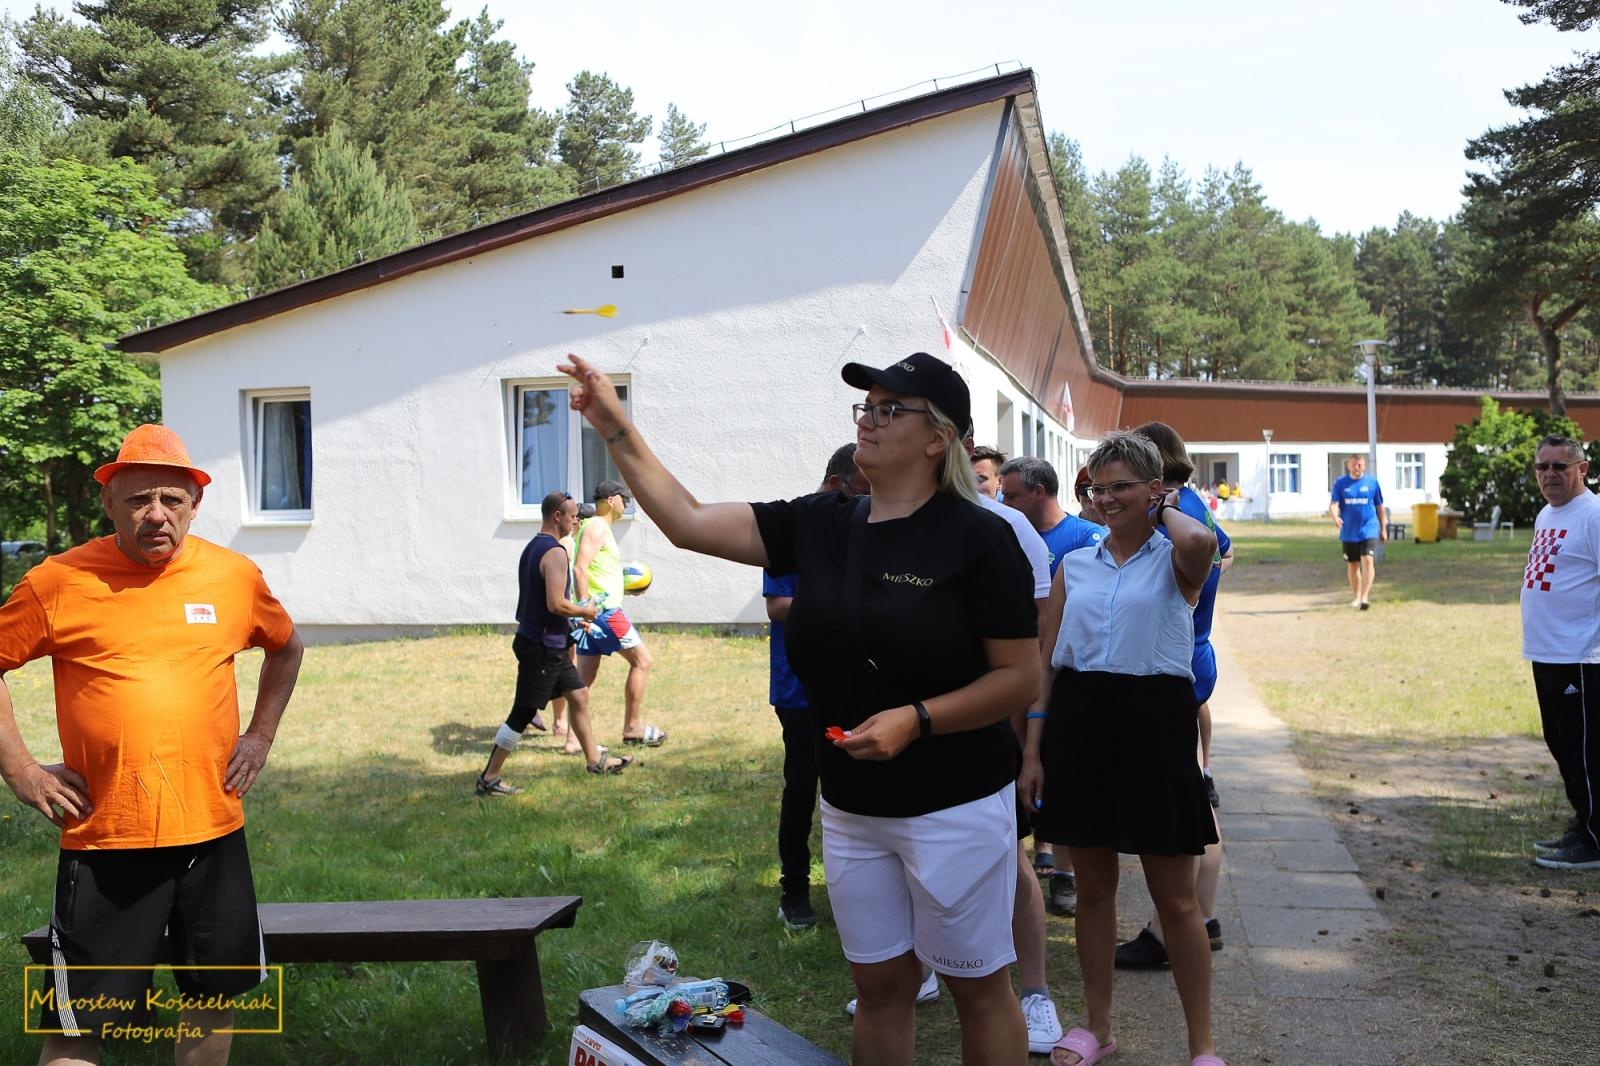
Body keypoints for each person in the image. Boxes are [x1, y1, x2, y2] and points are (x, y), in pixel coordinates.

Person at [558, 349, 1040, 1066]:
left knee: (978, 991)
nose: (868, 422)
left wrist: (920, 718)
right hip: (850, 802)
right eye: (865, 408)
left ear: (939, 437)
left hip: (955, 802)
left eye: (889, 410)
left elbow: (1019, 678)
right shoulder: (822, 523)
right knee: (879, 989)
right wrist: (614, 427)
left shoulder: (980, 537)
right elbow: (688, 521)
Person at [0, 423, 304, 1066]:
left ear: (195, 504)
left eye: (171, 499)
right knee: (80, 1027)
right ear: (109, 503)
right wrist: (21, 771)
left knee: (214, 1000)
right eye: (139, 500)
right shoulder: (58, 581)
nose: (156, 514)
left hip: (213, 831)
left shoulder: (233, 575)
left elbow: (286, 647)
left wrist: (260, 733)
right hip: (106, 836)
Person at [1023, 430, 1224, 1066]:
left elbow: (1203, 542)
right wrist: (1033, 750)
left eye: (1120, 488)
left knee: (1177, 898)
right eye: (1097, 488)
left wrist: (1162, 506)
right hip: (1081, 723)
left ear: (1154, 489)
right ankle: (1098, 1026)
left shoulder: (1176, 556)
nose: (1104, 499)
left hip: (1155, 722)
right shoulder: (1073, 565)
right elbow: (1046, 665)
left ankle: (1202, 1047)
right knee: (1093, 891)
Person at [1114, 422, 1233, 970]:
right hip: (1190, 655)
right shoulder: (1188, 505)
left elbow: (1207, 552)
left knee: (1186, 802)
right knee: (1190, 791)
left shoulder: (1174, 515)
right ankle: (1194, 917)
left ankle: (1181, 925)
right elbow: (1224, 554)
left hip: (1178, 660)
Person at [765, 443, 869, 930]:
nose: (867, 503)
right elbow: (778, 605)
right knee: (803, 786)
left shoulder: (860, 528)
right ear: (835, 485)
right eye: (860, 492)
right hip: (801, 691)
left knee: (856, 789)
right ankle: (794, 891)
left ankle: (858, 889)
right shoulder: (797, 528)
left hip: (855, 686)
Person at [997, 455, 1105, 921]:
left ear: (1040, 492)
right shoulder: (1005, 533)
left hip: (1062, 674)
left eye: (1013, 493)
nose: (1004, 500)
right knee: (1015, 766)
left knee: (1055, 771)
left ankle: (1064, 873)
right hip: (1013, 674)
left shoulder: (1083, 537)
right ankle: (1010, 867)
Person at [477, 491, 625, 795]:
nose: (576, 522)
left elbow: (549, 605)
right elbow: (556, 603)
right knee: (522, 712)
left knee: (580, 695)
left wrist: (572, 620)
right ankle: (489, 777)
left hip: (547, 642)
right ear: (556, 515)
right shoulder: (555, 552)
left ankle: (595, 761)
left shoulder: (533, 547)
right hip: (543, 648)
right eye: (571, 516)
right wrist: (584, 610)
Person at [1522, 435, 1600, 871]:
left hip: (1582, 656)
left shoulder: (1593, 516)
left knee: (1586, 750)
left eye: (1560, 466)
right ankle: (1584, 823)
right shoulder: (1547, 515)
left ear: (1582, 469)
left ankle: (1595, 841)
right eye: (1542, 467)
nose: (1550, 475)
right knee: (1561, 744)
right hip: (1547, 651)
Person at [574, 480, 663, 746]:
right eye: (625, 500)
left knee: (583, 680)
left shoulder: (597, 528)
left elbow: (594, 571)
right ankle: (633, 728)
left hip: (596, 611)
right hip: (604, 612)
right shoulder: (598, 527)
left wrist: (622, 586)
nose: (626, 505)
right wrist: (584, 606)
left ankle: (575, 740)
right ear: (611, 500)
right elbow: (580, 569)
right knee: (642, 661)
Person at [551, 501, 597, 753]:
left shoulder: (574, 543)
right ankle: (563, 726)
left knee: (565, 667)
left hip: (569, 613)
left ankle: (559, 723)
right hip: (568, 613)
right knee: (566, 668)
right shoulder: (569, 544)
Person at [1330, 455, 1387, 610]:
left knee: (1368, 560)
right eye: (1354, 465)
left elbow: (1380, 507)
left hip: (1369, 529)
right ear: (1348, 465)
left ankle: (1365, 597)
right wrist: (1335, 516)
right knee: (1353, 565)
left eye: (1360, 465)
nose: (1357, 468)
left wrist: (1383, 528)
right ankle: (1356, 596)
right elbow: (1334, 504)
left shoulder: (1372, 483)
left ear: (1364, 466)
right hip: (1349, 531)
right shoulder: (1341, 483)